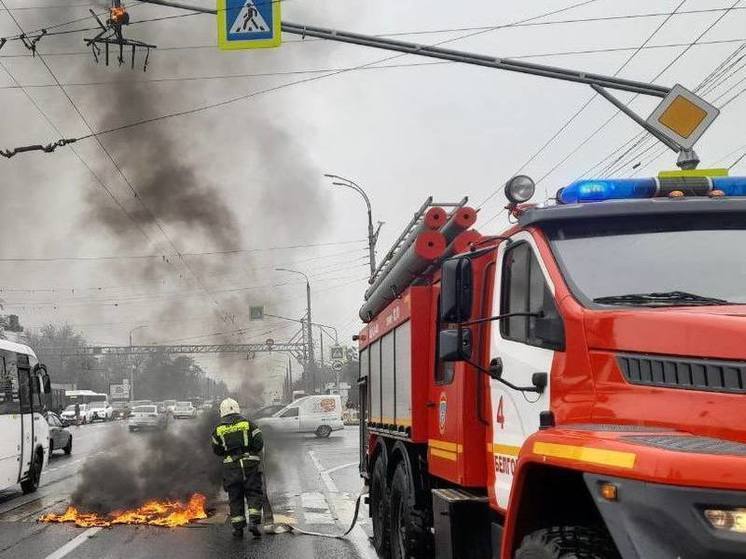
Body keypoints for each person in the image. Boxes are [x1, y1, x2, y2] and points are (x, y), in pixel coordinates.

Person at [211, 398, 264, 539]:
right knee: (253, 492)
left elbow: (217, 450)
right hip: (249, 465)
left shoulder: (218, 430)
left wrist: (228, 453)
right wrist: (251, 451)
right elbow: (259, 442)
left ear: (222, 412)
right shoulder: (248, 424)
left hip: (231, 468)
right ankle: (254, 522)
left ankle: (238, 529)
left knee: (235, 497)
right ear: (237, 409)